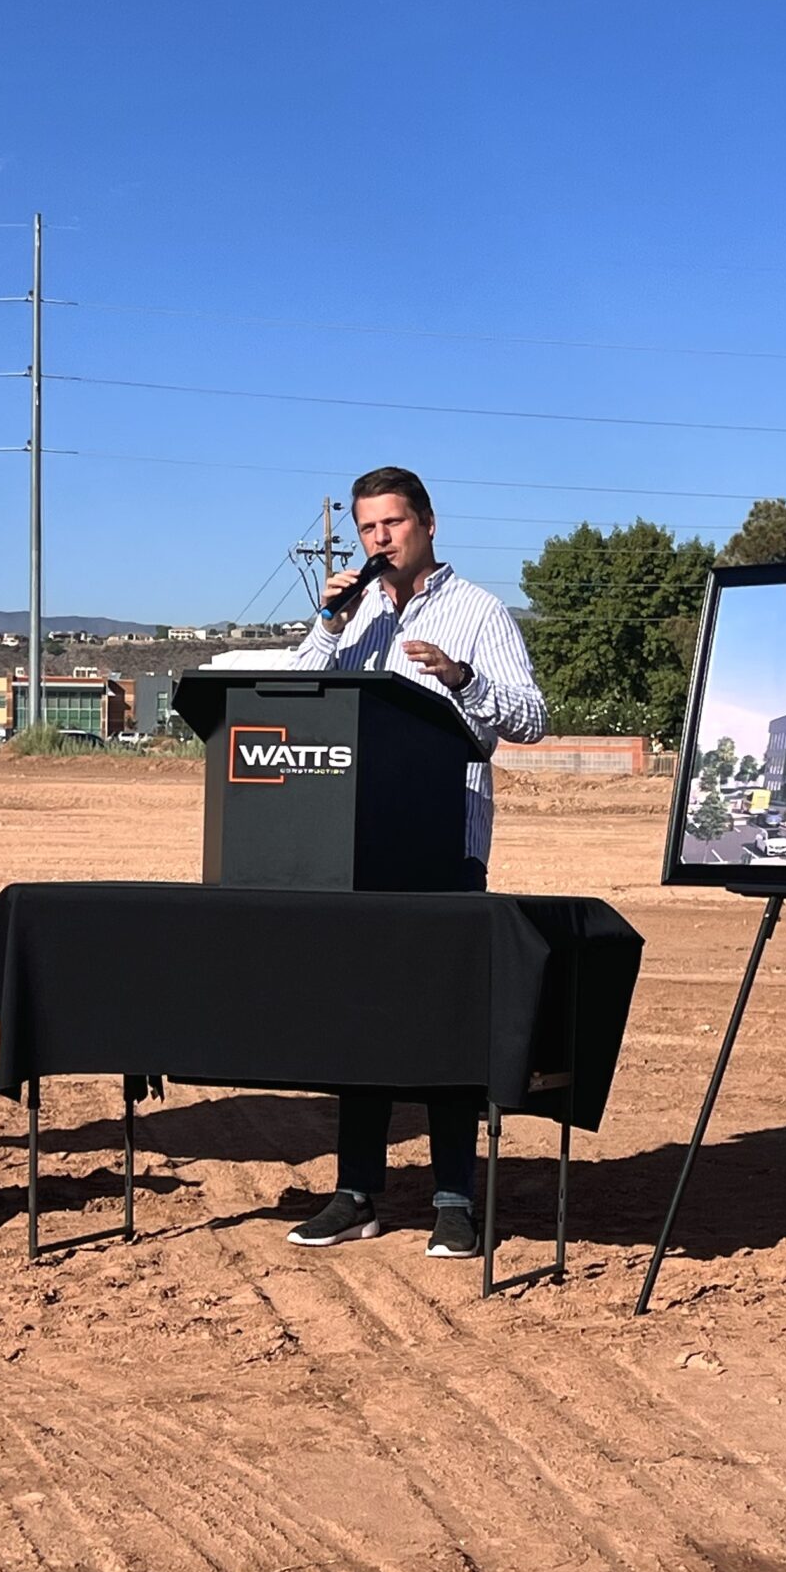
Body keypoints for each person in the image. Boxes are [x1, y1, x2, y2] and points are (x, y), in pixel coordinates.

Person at [280, 465, 548, 1260]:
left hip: (445, 844)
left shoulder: (478, 611)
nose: (380, 540)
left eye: (393, 524)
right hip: (357, 846)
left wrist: (462, 679)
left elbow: (532, 717)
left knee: (444, 1024)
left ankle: (456, 1199)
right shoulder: (352, 618)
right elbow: (292, 697)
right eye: (367, 529)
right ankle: (357, 1192)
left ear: (429, 525)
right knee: (360, 1024)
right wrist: (330, 625)